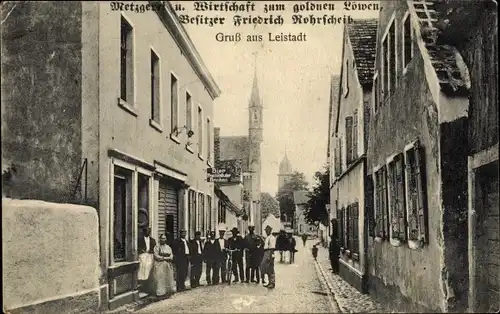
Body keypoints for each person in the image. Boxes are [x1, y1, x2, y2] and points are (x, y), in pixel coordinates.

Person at [151, 234, 175, 298]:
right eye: (162, 238)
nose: (163, 240)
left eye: (164, 238)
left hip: (167, 265)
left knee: (168, 278)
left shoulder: (168, 247)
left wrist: (167, 258)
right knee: (160, 279)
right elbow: (156, 256)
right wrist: (165, 258)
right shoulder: (157, 247)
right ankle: (160, 293)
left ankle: (167, 292)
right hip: (160, 265)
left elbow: (171, 256)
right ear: (159, 239)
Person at [138, 228, 156, 293]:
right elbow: (138, 248)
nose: (148, 233)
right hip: (143, 256)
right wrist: (142, 250)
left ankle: (148, 287)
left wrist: (151, 251)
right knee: (142, 270)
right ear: (143, 232)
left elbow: (154, 248)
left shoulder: (153, 240)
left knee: (149, 270)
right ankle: (142, 285)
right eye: (146, 231)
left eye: (149, 232)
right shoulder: (140, 239)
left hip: (150, 256)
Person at [261, 225, 276, 289]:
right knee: (266, 268)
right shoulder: (267, 237)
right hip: (266, 252)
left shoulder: (272, 238)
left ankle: (272, 283)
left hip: (269, 252)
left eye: (268, 230)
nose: (267, 231)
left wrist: (270, 257)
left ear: (270, 231)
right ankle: (269, 282)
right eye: (266, 230)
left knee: (271, 268)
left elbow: (272, 248)